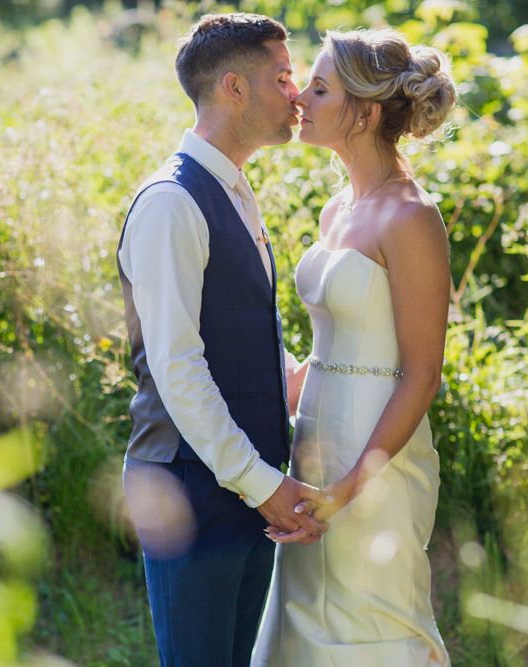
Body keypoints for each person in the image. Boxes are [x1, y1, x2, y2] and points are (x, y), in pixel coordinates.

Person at [116, 13, 330, 667]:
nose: (296, 94)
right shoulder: (171, 202)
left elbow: (237, 329)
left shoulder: (234, 190)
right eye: (283, 77)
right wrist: (261, 481)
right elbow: (177, 365)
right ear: (234, 88)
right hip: (191, 489)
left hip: (245, 482)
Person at [252, 28, 456, 666]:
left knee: (369, 611)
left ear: (365, 112)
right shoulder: (337, 209)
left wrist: (347, 487)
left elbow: (421, 374)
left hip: (377, 452)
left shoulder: (412, 218)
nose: (299, 98)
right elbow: (338, 341)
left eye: (319, 88)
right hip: (311, 436)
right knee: (303, 606)